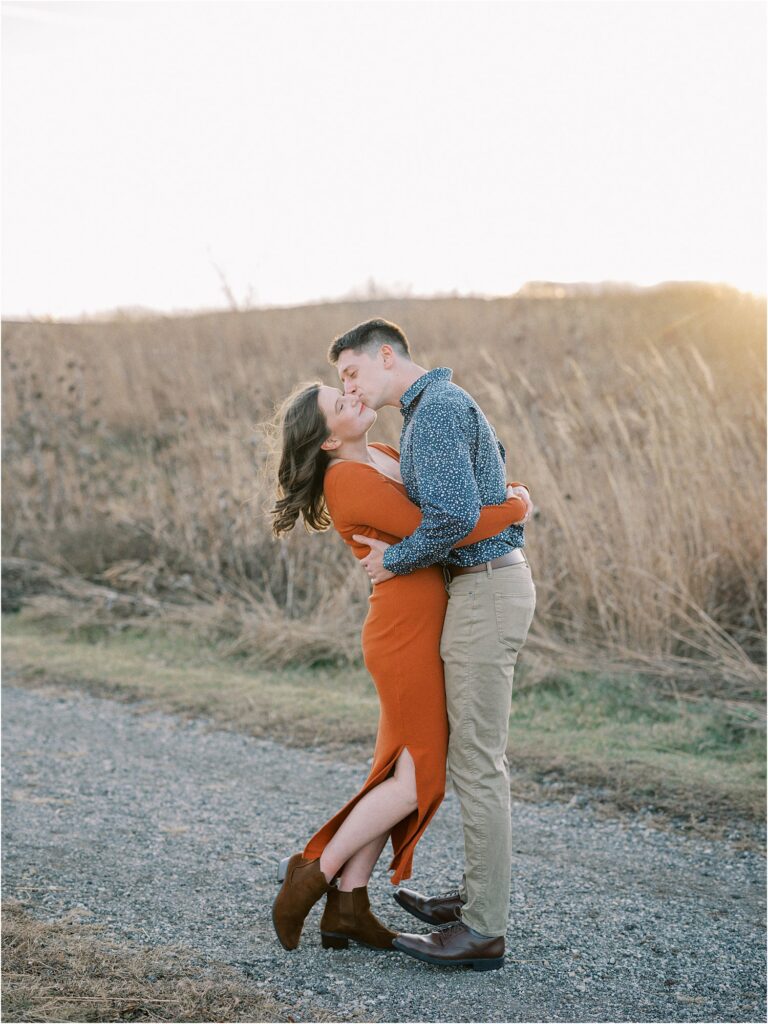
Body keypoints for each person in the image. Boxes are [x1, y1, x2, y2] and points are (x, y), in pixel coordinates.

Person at [268, 375, 532, 958]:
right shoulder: (347, 480)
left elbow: (450, 507)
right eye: (342, 403)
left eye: (349, 390)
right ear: (329, 440)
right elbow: (448, 528)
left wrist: (498, 488)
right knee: (418, 777)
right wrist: (516, 504)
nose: (355, 398)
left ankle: (349, 906)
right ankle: (313, 874)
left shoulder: (385, 455)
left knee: (397, 774)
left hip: (428, 623)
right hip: (404, 634)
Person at [330, 317, 537, 972]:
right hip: (480, 588)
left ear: (386, 356)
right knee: (475, 753)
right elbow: (489, 483)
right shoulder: (433, 410)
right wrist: (512, 505)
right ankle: (477, 899)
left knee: (477, 760)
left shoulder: (438, 409)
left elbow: (449, 516)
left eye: (352, 372)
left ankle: (482, 930)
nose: (350, 387)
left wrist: (399, 560)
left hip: (485, 589)